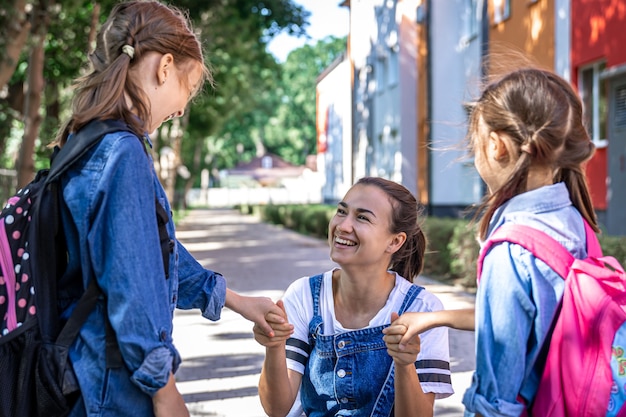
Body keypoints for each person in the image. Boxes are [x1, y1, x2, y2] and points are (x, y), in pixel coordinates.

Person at [53, 2, 284, 416]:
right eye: (187, 90)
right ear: (164, 67)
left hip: (83, 372)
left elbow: (152, 251)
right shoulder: (122, 153)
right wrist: (164, 389)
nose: (180, 109)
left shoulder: (84, 139)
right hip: (112, 387)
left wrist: (233, 299)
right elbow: (132, 288)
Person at [390, 67, 603, 416]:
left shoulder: (511, 251)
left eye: (475, 144)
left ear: (496, 146)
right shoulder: (575, 220)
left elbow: (496, 399)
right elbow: (538, 318)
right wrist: (434, 318)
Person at [253, 176, 454, 417]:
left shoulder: (422, 309)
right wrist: (274, 346)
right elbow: (276, 408)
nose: (343, 226)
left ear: (395, 241)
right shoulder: (304, 294)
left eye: (362, 217)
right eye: (341, 211)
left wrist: (405, 364)